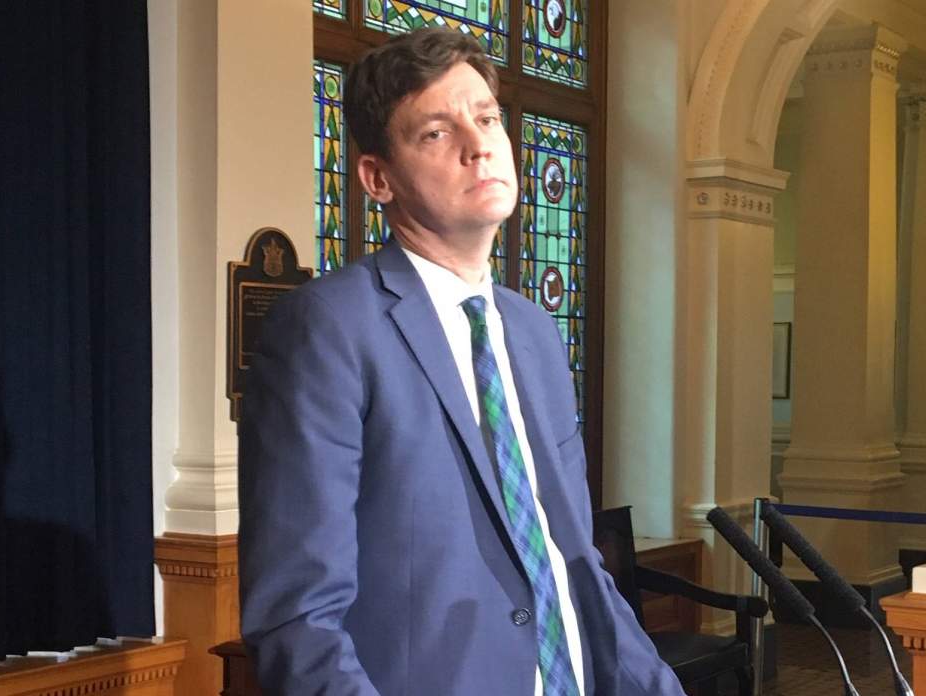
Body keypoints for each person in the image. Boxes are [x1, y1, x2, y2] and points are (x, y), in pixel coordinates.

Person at [238, 27, 683, 696]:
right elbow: (297, 618)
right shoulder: (328, 328)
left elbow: (572, 561)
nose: (481, 146)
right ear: (377, 178)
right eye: (437, 133)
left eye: (487, 118)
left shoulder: (533, 331)